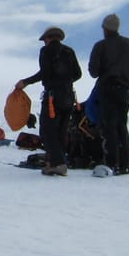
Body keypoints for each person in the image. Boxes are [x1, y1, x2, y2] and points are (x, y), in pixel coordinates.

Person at [15, 26, 82, 176]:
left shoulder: (46, 51)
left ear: (48, 38)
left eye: (44, 40)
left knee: (48, 130)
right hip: (69, 95)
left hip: (53, 96)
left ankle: (57, 164)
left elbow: (44, 73)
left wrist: (25, 82)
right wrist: (65, 81)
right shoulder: (69, 51)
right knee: (61, 131)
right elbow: (78, 74)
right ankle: (54, 162)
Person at [88, 13, 129, 175]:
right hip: (125, 90)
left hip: (107, 90)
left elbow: (93, 71)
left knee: (109, 126)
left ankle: (111, 163)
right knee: (121, 125)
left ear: (105, 28)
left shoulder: (100, 46)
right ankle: (124, 164)